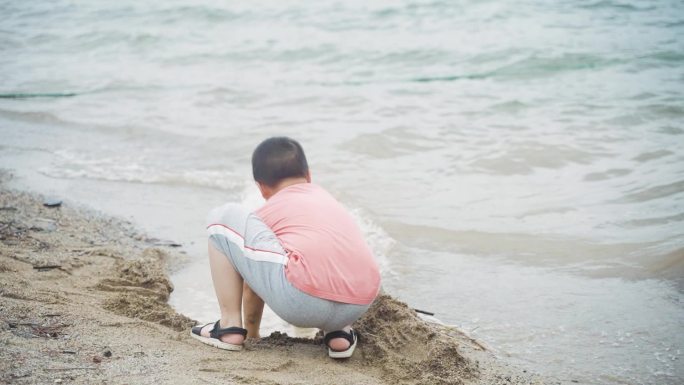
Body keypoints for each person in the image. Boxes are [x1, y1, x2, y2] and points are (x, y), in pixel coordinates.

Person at [190, 136, 381, 358]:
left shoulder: (266, 215)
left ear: (261, 188)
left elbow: (254, 282)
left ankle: (228, 326)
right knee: (329, 252)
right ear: (308, 176)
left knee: (221, 218)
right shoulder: (329, 201)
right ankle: (339, 334)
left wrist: (252, 332)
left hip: (303, 304)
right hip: (358, 303)